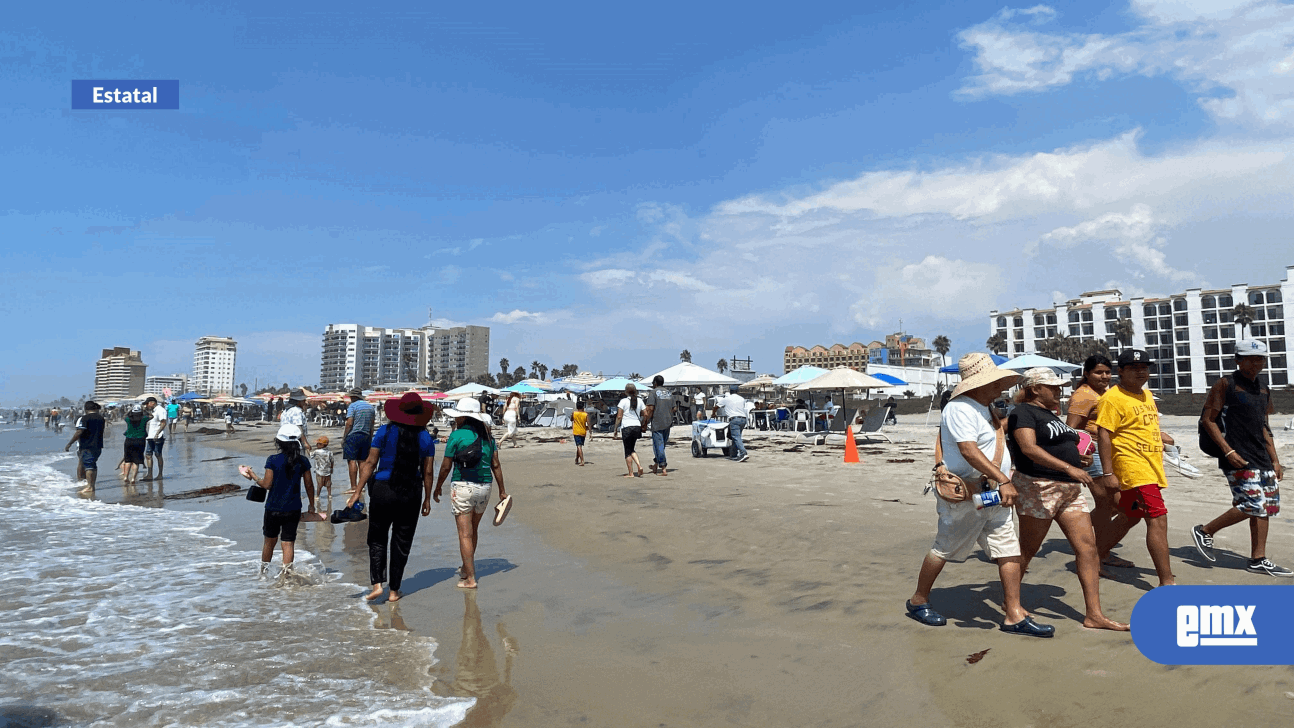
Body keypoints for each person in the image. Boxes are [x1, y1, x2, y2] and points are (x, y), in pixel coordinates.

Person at [906, 353, 1053, 637]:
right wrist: (1002, 479)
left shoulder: (985, 408)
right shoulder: (960, 408)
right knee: (945, 548)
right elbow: (968, 450)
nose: (998, 387)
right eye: (993, 382)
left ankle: (1013, 613)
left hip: (993, 493)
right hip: (967, 493)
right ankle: (918, 600)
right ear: (978, 383)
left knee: (1008, 548)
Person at [1007, 368, 1128, 631]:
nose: (1059, 391)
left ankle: (1094, 615)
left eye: (1059, 386)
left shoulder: (1051, 415)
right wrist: (1068, 467)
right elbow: (1028, 448)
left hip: (1070, 489)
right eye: (1052, 387)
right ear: (1035, 388)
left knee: (1087, 548)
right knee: (1028, 549)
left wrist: (1078, 458)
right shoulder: (1022, 412)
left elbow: (1059, 444)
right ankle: (1012, 604)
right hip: (1039, 487)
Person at [1192, 340, 1292, 576]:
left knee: (1266, 507)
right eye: (1251, 358)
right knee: (1251, 505)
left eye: (1260, 359)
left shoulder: (1264, 388)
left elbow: (1264, 426)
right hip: (1237, 456)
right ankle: (1205, 531)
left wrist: (1275, 460)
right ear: (1238, 359)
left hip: (1262, 457)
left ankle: (1258, 559)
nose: (1256, 363)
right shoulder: (1226, 384)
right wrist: (1228, 451)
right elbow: (1208, 420)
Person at [1093, 349, 1176, 587]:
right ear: (1122, 371)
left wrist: (1160, 435)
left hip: (1151, 465)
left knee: (1131, 515)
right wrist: (1108, 473)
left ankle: (1098, 554)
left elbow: (1137, 426)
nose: (1141, 372)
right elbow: (1104, 435)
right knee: (1157, 518)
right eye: (1133, 368)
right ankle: (1166, 581)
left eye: (1144, 367)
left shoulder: (1146, 395)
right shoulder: (1112, 398)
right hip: (1133, 467)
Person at [347, 392, 437, 601]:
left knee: (377, 537)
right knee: (402, 541)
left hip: (383, 489)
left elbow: (369, 463)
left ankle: (377, 584)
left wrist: (358, 491)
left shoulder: (384, 431)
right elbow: (428, 472)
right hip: (411, 491)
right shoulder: (425, 437)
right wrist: (427, 499)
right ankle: (394, 591)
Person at [1064, 354, 1131, 574]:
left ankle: (1098, 550)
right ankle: (1096, 554)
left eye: (1107, 372)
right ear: (1086, 374)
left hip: (1108, 453)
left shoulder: (1104, 393)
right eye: (1098, 372)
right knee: (1115, 505)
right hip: (1092, 454)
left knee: (1107, 506)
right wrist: (1079, 458)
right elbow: (1071, 430)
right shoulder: (1083, 395)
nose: (1104, 376)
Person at [435, 397, 509, 590]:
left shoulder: (457, 436)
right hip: (485, 487)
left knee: (464, 534)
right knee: (473, 531)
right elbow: (496, 465)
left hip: (462, 487)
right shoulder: (488, 437)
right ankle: (466, 569)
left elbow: (445, 466)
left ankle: (470, 578)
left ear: (463, 417)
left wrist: (437, 487)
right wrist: (502, 491)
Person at [242, 423, 316, 577]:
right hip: (293, 508)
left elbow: (267, 484)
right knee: (288, 543)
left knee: (269, 542)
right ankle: (286, 576)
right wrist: (311, 505)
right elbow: (309, 485)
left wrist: (252, 475)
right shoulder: (303, 461)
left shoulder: (273, 460)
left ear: (279, 442)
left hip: (273, 508)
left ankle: (263, 573)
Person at [65, 401, 106, 491]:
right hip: (98, 445)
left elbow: (79, 432)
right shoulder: (101, 418)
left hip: (87, 445)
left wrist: (70, 443)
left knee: (88, 466)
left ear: (85, 409)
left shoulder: (85, 418)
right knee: (93, 465)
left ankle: (90, 486)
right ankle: (92, 485)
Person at [343, 388, 376, 494]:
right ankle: (361, 486)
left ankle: (353, 486)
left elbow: (349, 423)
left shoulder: (353, 406)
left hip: (354, 435)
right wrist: (370, 437)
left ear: (353, 397)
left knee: (351, 460)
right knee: (362, 461)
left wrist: (345, 437)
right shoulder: (370, 407)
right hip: (366, 435)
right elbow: (372, 424)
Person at [614, 383, 647, 478]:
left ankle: (631, 473)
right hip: (636, 426)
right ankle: (639, 466)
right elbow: (645, 414)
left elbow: (619, 416)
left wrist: (615, 428)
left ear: (625, 392)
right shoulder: (640, 401)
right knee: (631, 448)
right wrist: (642, 423)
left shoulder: (623, 401)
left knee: (627, 450)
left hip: (627, 427)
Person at [644, 375, 674, 476]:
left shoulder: (653, 393)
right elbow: (674, 408)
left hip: (657, 422)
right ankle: (655, 465)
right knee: (661, 445)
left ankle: (663, 467)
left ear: (655, 383)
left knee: (658, 445)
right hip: (668, 422)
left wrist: (645, 422)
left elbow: (650, 408)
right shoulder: (669, 393)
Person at [715, 385, 750, 462]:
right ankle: (733, 454)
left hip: (734, 419)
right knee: (736, 437)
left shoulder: (727, 399)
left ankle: (743, 453)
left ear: (730, 391)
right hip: (743, 419)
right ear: (737, 391)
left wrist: (713, 413)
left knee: (736, 437)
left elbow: (716, 406)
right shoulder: (742, 399)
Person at [121, 404, 148, 485]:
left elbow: (124, 416)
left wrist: (129, 410)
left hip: (129, 440)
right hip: (140, 440)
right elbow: (151, 416)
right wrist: (144, 410)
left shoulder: (128, 419)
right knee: (136, 461)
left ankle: (126, 477)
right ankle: (133, 479)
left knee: (128, 460)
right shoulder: (144, 418)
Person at [143, 397, 167, 481]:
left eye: (147, 403)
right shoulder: (152, 411)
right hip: (150, 436)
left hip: (158, 436)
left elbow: (163, 423)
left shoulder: (161, 410)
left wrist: (157, 433)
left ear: (152, 403)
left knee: (158, 454)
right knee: (148, 455)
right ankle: (150, 474)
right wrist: (145, 409)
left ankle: (160, 474)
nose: (146, 405)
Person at [281, 390, 311, 454]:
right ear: (298, 402)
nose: (305, 403)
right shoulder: (297, 411)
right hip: (295, 442)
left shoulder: (285, 411)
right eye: (303, 401)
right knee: (298, 461)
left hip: (284, 440)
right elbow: (299, 427)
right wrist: (305, 442)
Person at [310, 436, 335, 510]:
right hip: (327, 471)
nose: (316, 445)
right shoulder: (329, 452)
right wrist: (331, 468)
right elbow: (332, 461)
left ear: (321, 445)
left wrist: (309, 450)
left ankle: (317, 496)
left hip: (319, 471)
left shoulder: (317, 452)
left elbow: (311, 456)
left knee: (319, 485)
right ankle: (329, 495)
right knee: (328, 484)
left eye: (318, 444)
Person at [572, 399, 591, 466]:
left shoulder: (574, 413)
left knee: (579, 446)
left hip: (576, 431)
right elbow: (588, 424)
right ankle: (577, 459)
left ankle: (582, 460)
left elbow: (571, 419)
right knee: (579, 446)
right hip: (583, 432)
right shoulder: (586, 414)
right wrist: (590, 432)